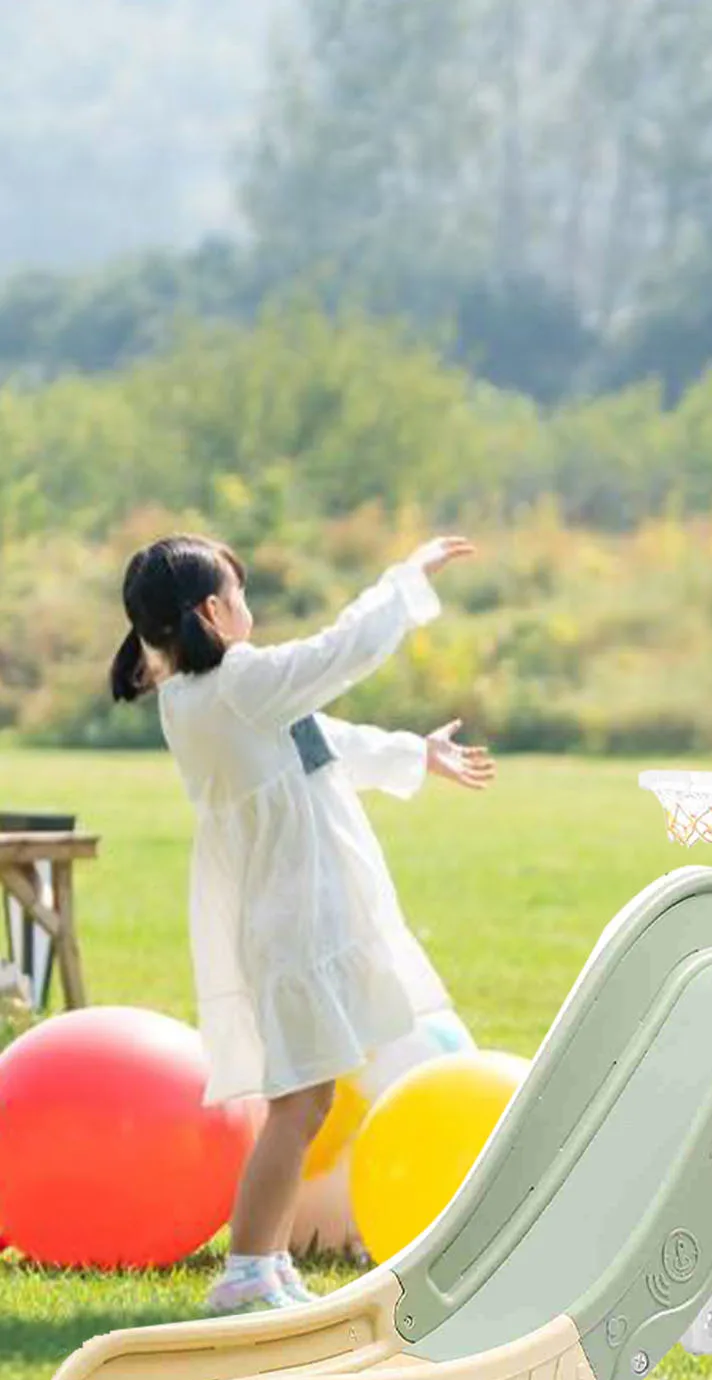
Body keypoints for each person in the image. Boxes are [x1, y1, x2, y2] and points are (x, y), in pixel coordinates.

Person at [109, 533, 496, 1314]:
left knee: (305, 1100)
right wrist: (404, 579)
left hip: (291, 917)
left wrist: (408, 754)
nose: (250, 610)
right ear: (215, 611)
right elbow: (340, 652)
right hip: (297, 921)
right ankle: (248, 1268)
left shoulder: (203, 696)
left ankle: (267, 1257)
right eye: (241, 594)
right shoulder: (239, 683)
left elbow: (315, 741)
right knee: (299, 1104)